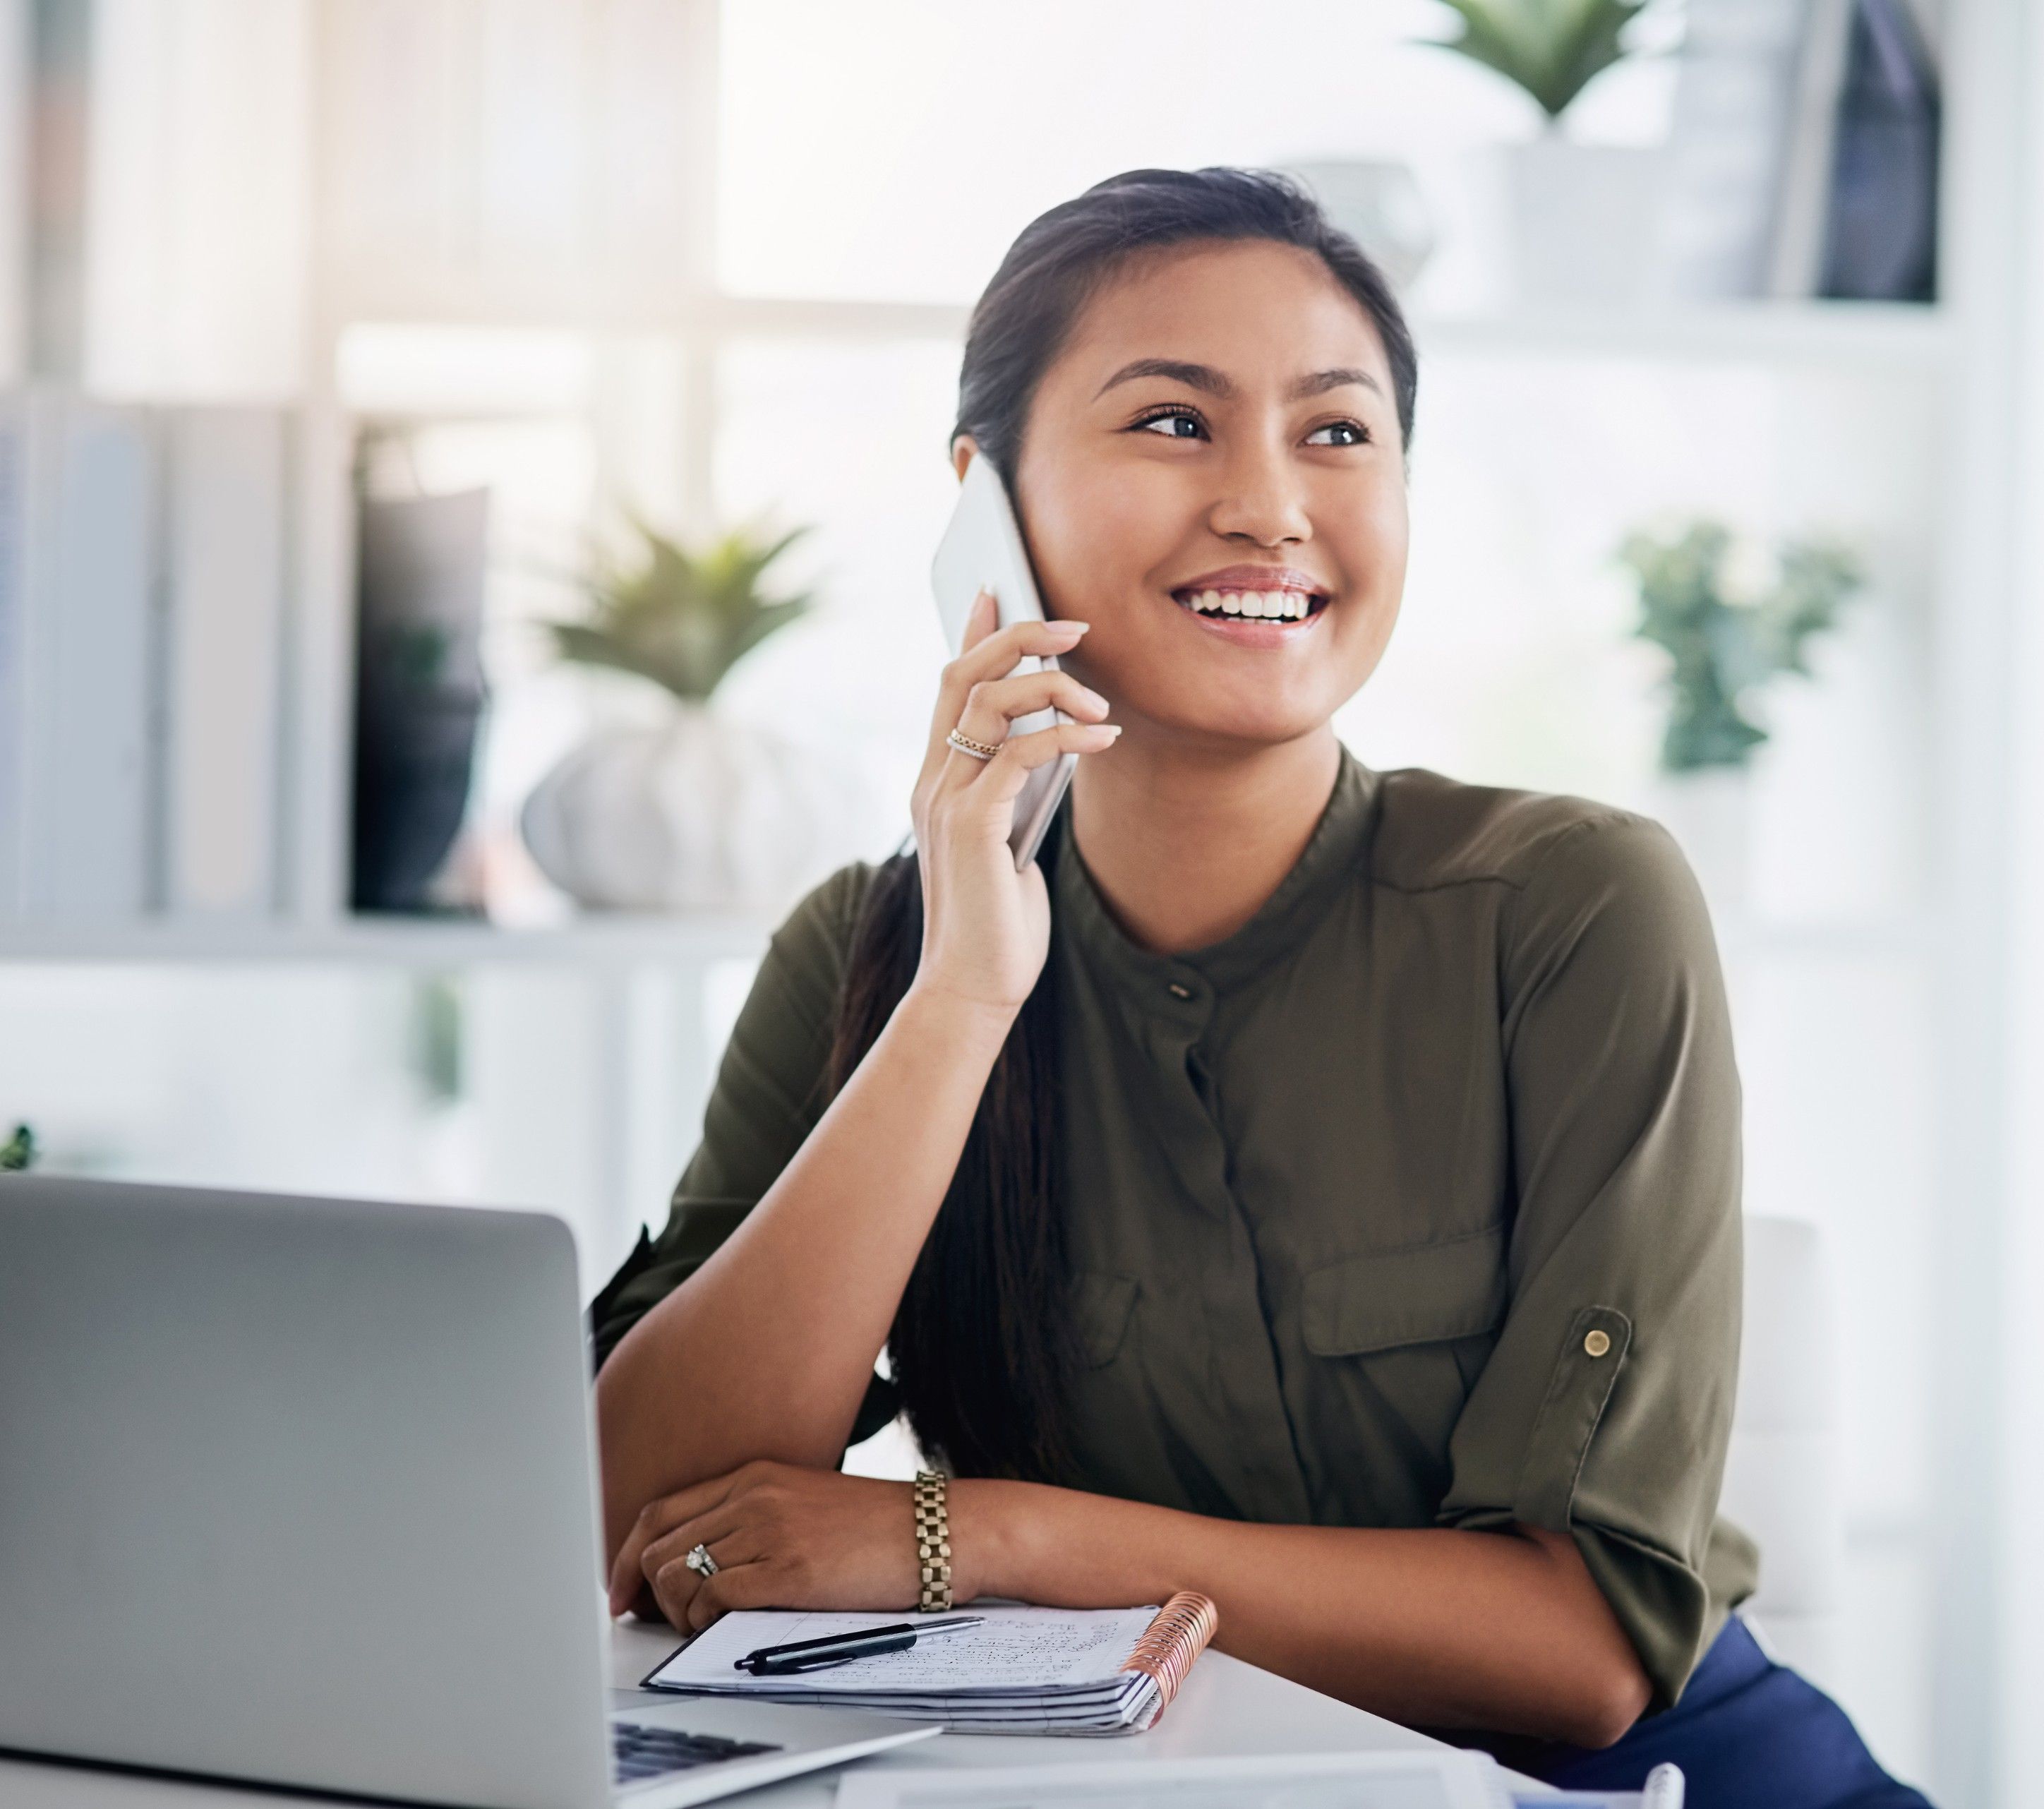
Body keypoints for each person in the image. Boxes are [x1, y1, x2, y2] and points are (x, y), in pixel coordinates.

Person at [586, 167, 1925, 1807]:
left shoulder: (1573, 909)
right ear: (982, 500)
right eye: (1171, 422)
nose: (1270, 506)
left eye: (1339, 433)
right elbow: (633, 1523)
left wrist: (980, 1534)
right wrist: (960, 1002)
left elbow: (1581, 1653)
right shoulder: (870, 954)